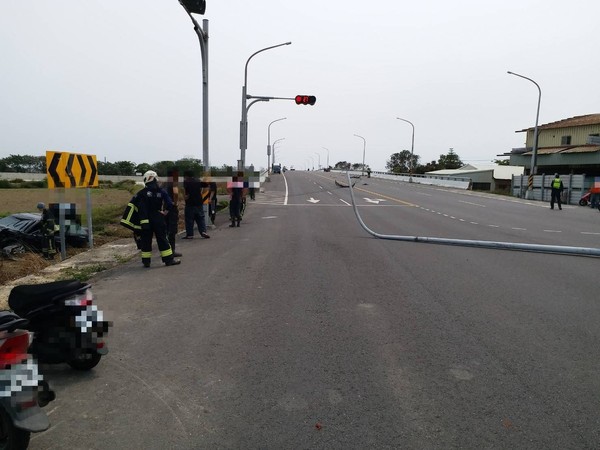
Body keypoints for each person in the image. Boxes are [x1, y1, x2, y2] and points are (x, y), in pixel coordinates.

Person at [137, 170, 180, 267]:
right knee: (162, 239)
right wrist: (165, 212)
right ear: (155, 179)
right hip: (158, 218)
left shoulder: (141, 193)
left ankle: (146, 262)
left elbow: (136, 207)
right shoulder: (161, 191)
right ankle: (168, 260)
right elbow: (170, 204)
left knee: (146, 241)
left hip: (145, 220)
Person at [182, 171, 210, 239]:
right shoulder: (198, 180)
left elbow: (185, 190)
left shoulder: (186, 181)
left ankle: (190, 234)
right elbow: (206, 185)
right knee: (200, 218)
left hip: (190, 203)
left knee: (189, 219)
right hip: (199, 202)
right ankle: (203, 231)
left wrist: (185, 196)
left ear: (186, 176)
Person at [163, 169, 182, 257]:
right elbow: (175, 192)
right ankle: (172, 251)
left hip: (165, 209)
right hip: (172, 209)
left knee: (166, 230)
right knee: (172, 231)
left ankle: (165, 250)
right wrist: (175, 202)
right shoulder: (173, 183)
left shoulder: (164, 184)